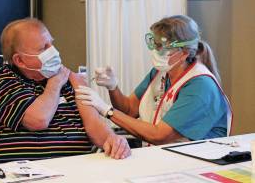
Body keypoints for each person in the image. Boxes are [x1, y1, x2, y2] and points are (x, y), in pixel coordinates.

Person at [0, 18, 131, 164]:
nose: (53, 51)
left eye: (51, 44)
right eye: (43, 48)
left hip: (77, 169)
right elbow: (38, 120)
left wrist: (112, 140)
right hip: (24, 173)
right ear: (19, 60)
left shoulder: (70, 79)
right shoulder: (0, 78)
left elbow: (93, 124)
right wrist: (56, 83)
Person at [76, 15, 232, 146]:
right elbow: (129, 110)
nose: (155, 51)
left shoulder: (200, 86)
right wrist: (113, 87)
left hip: (196, 165)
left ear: (184, 53)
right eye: (154, 44)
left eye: (161, 46)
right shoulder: (161, 72)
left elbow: (159, 135)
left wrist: (106, 110)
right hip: (163, 158)